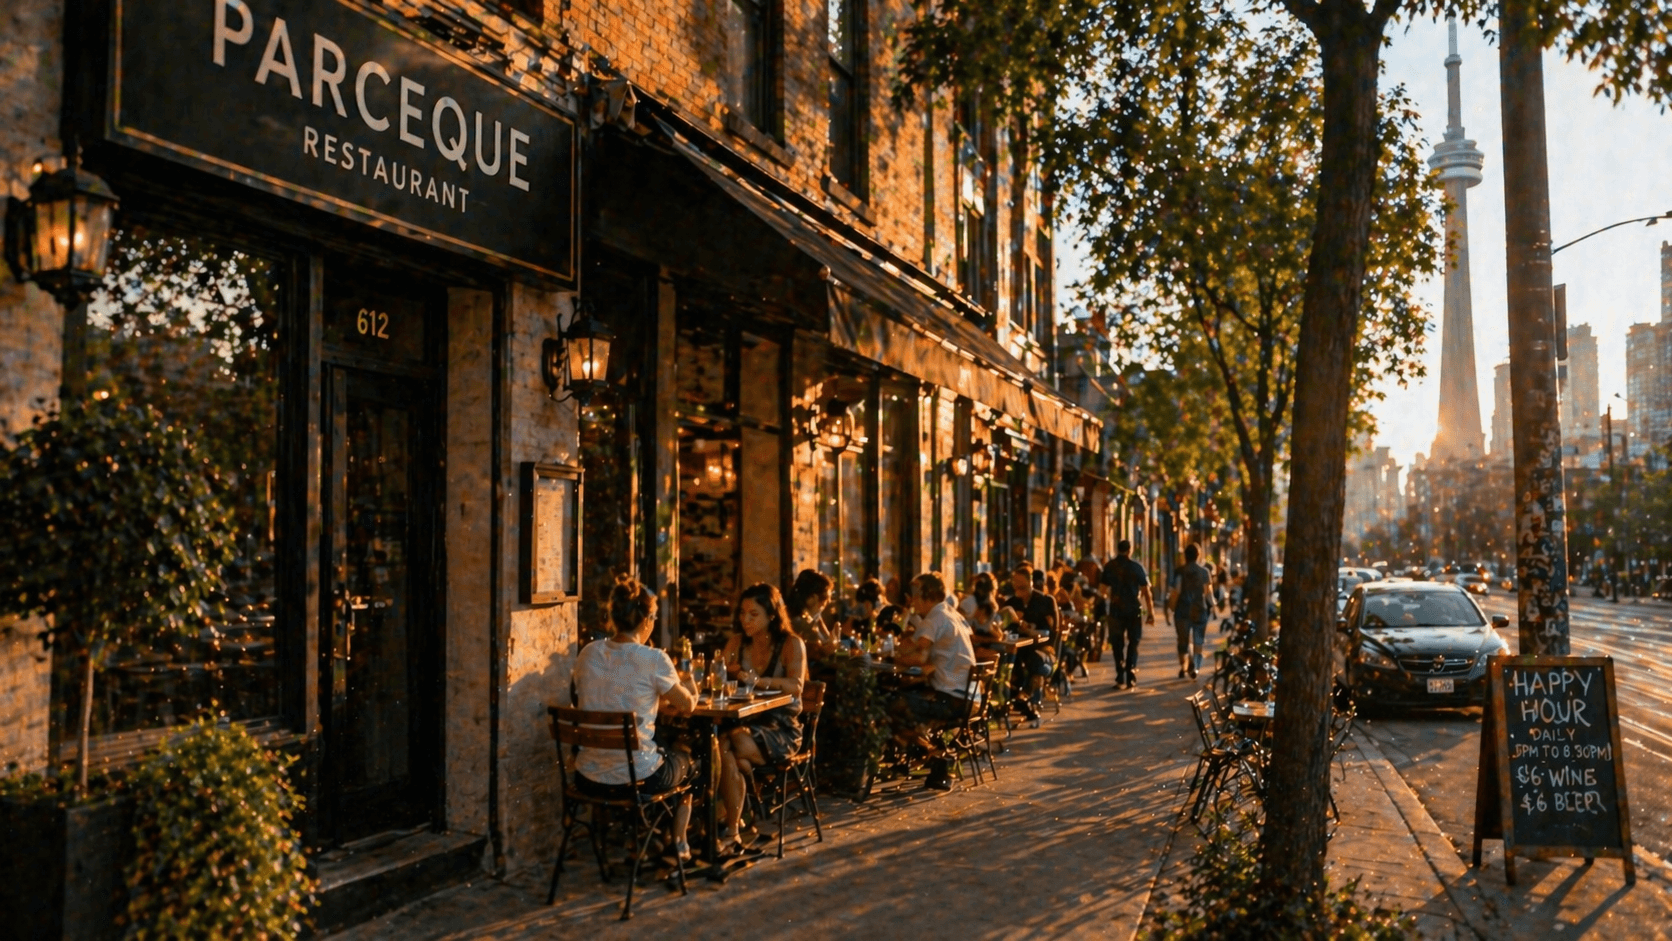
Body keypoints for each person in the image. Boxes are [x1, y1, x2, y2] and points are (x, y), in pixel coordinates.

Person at [573, 576, 700, 860]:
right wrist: (691, 681)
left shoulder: (588, 653)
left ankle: (645, 839)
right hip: (635, 780)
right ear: (646, 620)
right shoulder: (654, 659)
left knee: (659, 748)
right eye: (654, 617)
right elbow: (689, 705)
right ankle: (677, 842)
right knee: (691, 761)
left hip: (587, 776)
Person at [715, 583, 808, 850]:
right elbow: (720, 677)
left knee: (726, 746)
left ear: (772, 615)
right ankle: (734, 828)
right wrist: (727, 673)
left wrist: (759, 681)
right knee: (726, 750)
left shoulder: (791, 644)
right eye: (742, 613)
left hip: (781, 728)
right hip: (744, 722)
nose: (745, 620)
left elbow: (796, 686)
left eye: (753, 614)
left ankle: (728, 820)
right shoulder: (736, 642)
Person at [892, 571, 979, 791]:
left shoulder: (933, 619)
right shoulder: (950, 614)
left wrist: (894, 656)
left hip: (952, 700)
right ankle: (926, 752)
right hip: (970, 697)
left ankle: (934, 755)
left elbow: (919, 656)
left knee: (890, 705)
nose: (911, 599)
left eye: (914, 593)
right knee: (910, 699)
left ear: (926, 595)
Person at [1002, 562, 1058, 725]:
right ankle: (1013, 701)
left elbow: (1050, 631)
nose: (1019, 591)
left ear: (1031, 583)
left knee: (1035, 661)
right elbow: (1004, 630)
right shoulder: (1011, 603)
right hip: (1019, 649)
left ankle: (1025, 697)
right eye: (1016, 587)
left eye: (1022, 587)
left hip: (1044, 649)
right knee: (1008, 662)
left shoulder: (1046, 601)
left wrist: (1030, 630)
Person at [1101, 540, 1154, 689]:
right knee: (1134, 641)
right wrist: (1151, 613)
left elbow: (1102, 591)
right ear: (1130, 550)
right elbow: (1147, 593)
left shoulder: (1109, 567)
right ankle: (1131, 673)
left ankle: (1120, 674)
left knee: (1117, 643)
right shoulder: (1137, 567)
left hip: (1116, 609)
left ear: (1118, 549)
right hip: (1133, 609)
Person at [1168, 544, 1214, 679]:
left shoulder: (1179, 571)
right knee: (1199, 640)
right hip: (1199, 609)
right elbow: (1208, 593)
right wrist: (1214, 606)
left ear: (1185, 556)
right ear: (1198, 555)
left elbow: (1175, 592)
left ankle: (1184, 666)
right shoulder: (1205, 572)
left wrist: (1171, 607)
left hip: (1182, 610)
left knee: (1183, 640)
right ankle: (1196, 667)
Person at [785, 569, 837, 656]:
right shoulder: (799, 624)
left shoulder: (814, 620)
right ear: (812, 598)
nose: (826, 604)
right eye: (825, 599)